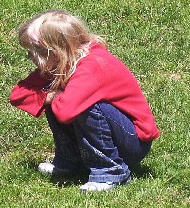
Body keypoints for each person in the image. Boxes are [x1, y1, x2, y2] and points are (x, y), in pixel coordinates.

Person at [10, 10, 160, 192]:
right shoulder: (61, 64)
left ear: (55, 51)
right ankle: (71, 162)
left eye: (34, 53)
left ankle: (111, 171)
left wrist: (53, 96)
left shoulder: (92, 66)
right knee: (54, 98)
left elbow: (65, 112)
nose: (30, 57)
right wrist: (50, 96)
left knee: (82, 105)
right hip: (117, 135)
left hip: (134, 142)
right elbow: (18, 94)